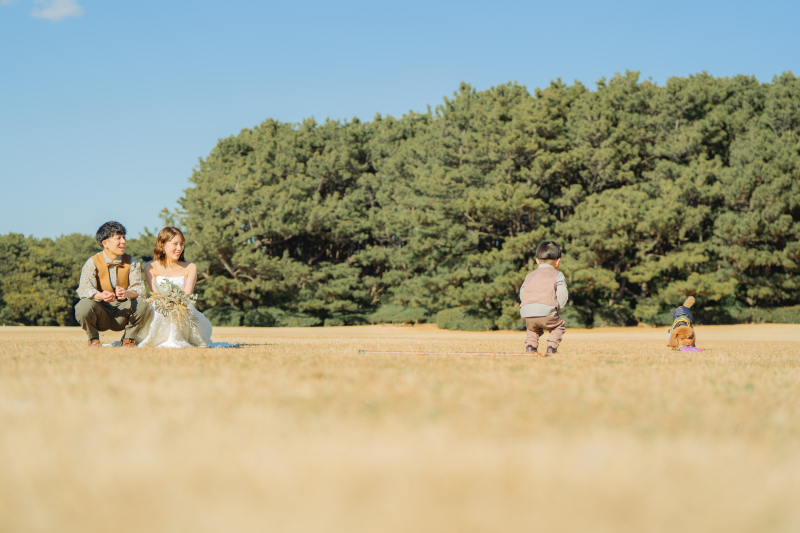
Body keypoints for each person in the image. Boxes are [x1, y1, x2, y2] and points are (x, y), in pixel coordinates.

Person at [135, 226, 220, 348]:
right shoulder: (150, 266)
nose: (179, 248)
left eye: (182, 244)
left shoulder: (190, 267)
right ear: (162, 245)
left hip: (183, 306)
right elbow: (155, 294)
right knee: (160, 312)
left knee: (181, 311)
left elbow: (187, 293)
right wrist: (167, 304)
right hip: (160, 306)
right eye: (175, 244)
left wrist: (178, 304)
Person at [74, 221, 152, 347]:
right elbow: (84, 289)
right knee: (83, 305)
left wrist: (127, 293)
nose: (123, 241)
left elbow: (139, 289)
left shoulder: (132, 262)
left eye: (124, 237)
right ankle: (93, 340)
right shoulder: (92, 262)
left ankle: (128, 339)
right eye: (118, 238)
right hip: (101, 312)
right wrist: (100, 296)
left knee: (143, 303)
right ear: (105, 243)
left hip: (123, 311)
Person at [519, 241, 569, 355]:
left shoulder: (529, 275)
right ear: (558, 261)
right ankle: (551, 347)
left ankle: (530, 346)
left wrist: (527, 304)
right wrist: (559, 307)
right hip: (547, 311)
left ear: (537, 260)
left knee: (532, 329)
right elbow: (562, 293)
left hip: (527, 312)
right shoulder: (558, 274)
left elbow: (522, 292)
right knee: (558, 326)